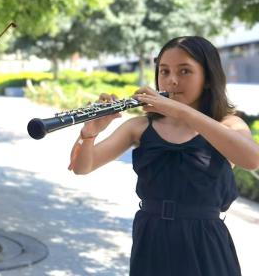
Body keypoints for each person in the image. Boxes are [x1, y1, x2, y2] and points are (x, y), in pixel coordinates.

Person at [68, 36, 259, 276]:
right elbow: (82, 167)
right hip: (152, 239)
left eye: (185, 71)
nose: (172, 80)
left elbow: (252, 159)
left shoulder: (229, 124)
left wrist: (182, 111)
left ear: (208, 79)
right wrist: (89, 134)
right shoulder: (138, 126)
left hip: (205, 243)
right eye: (164, 71)